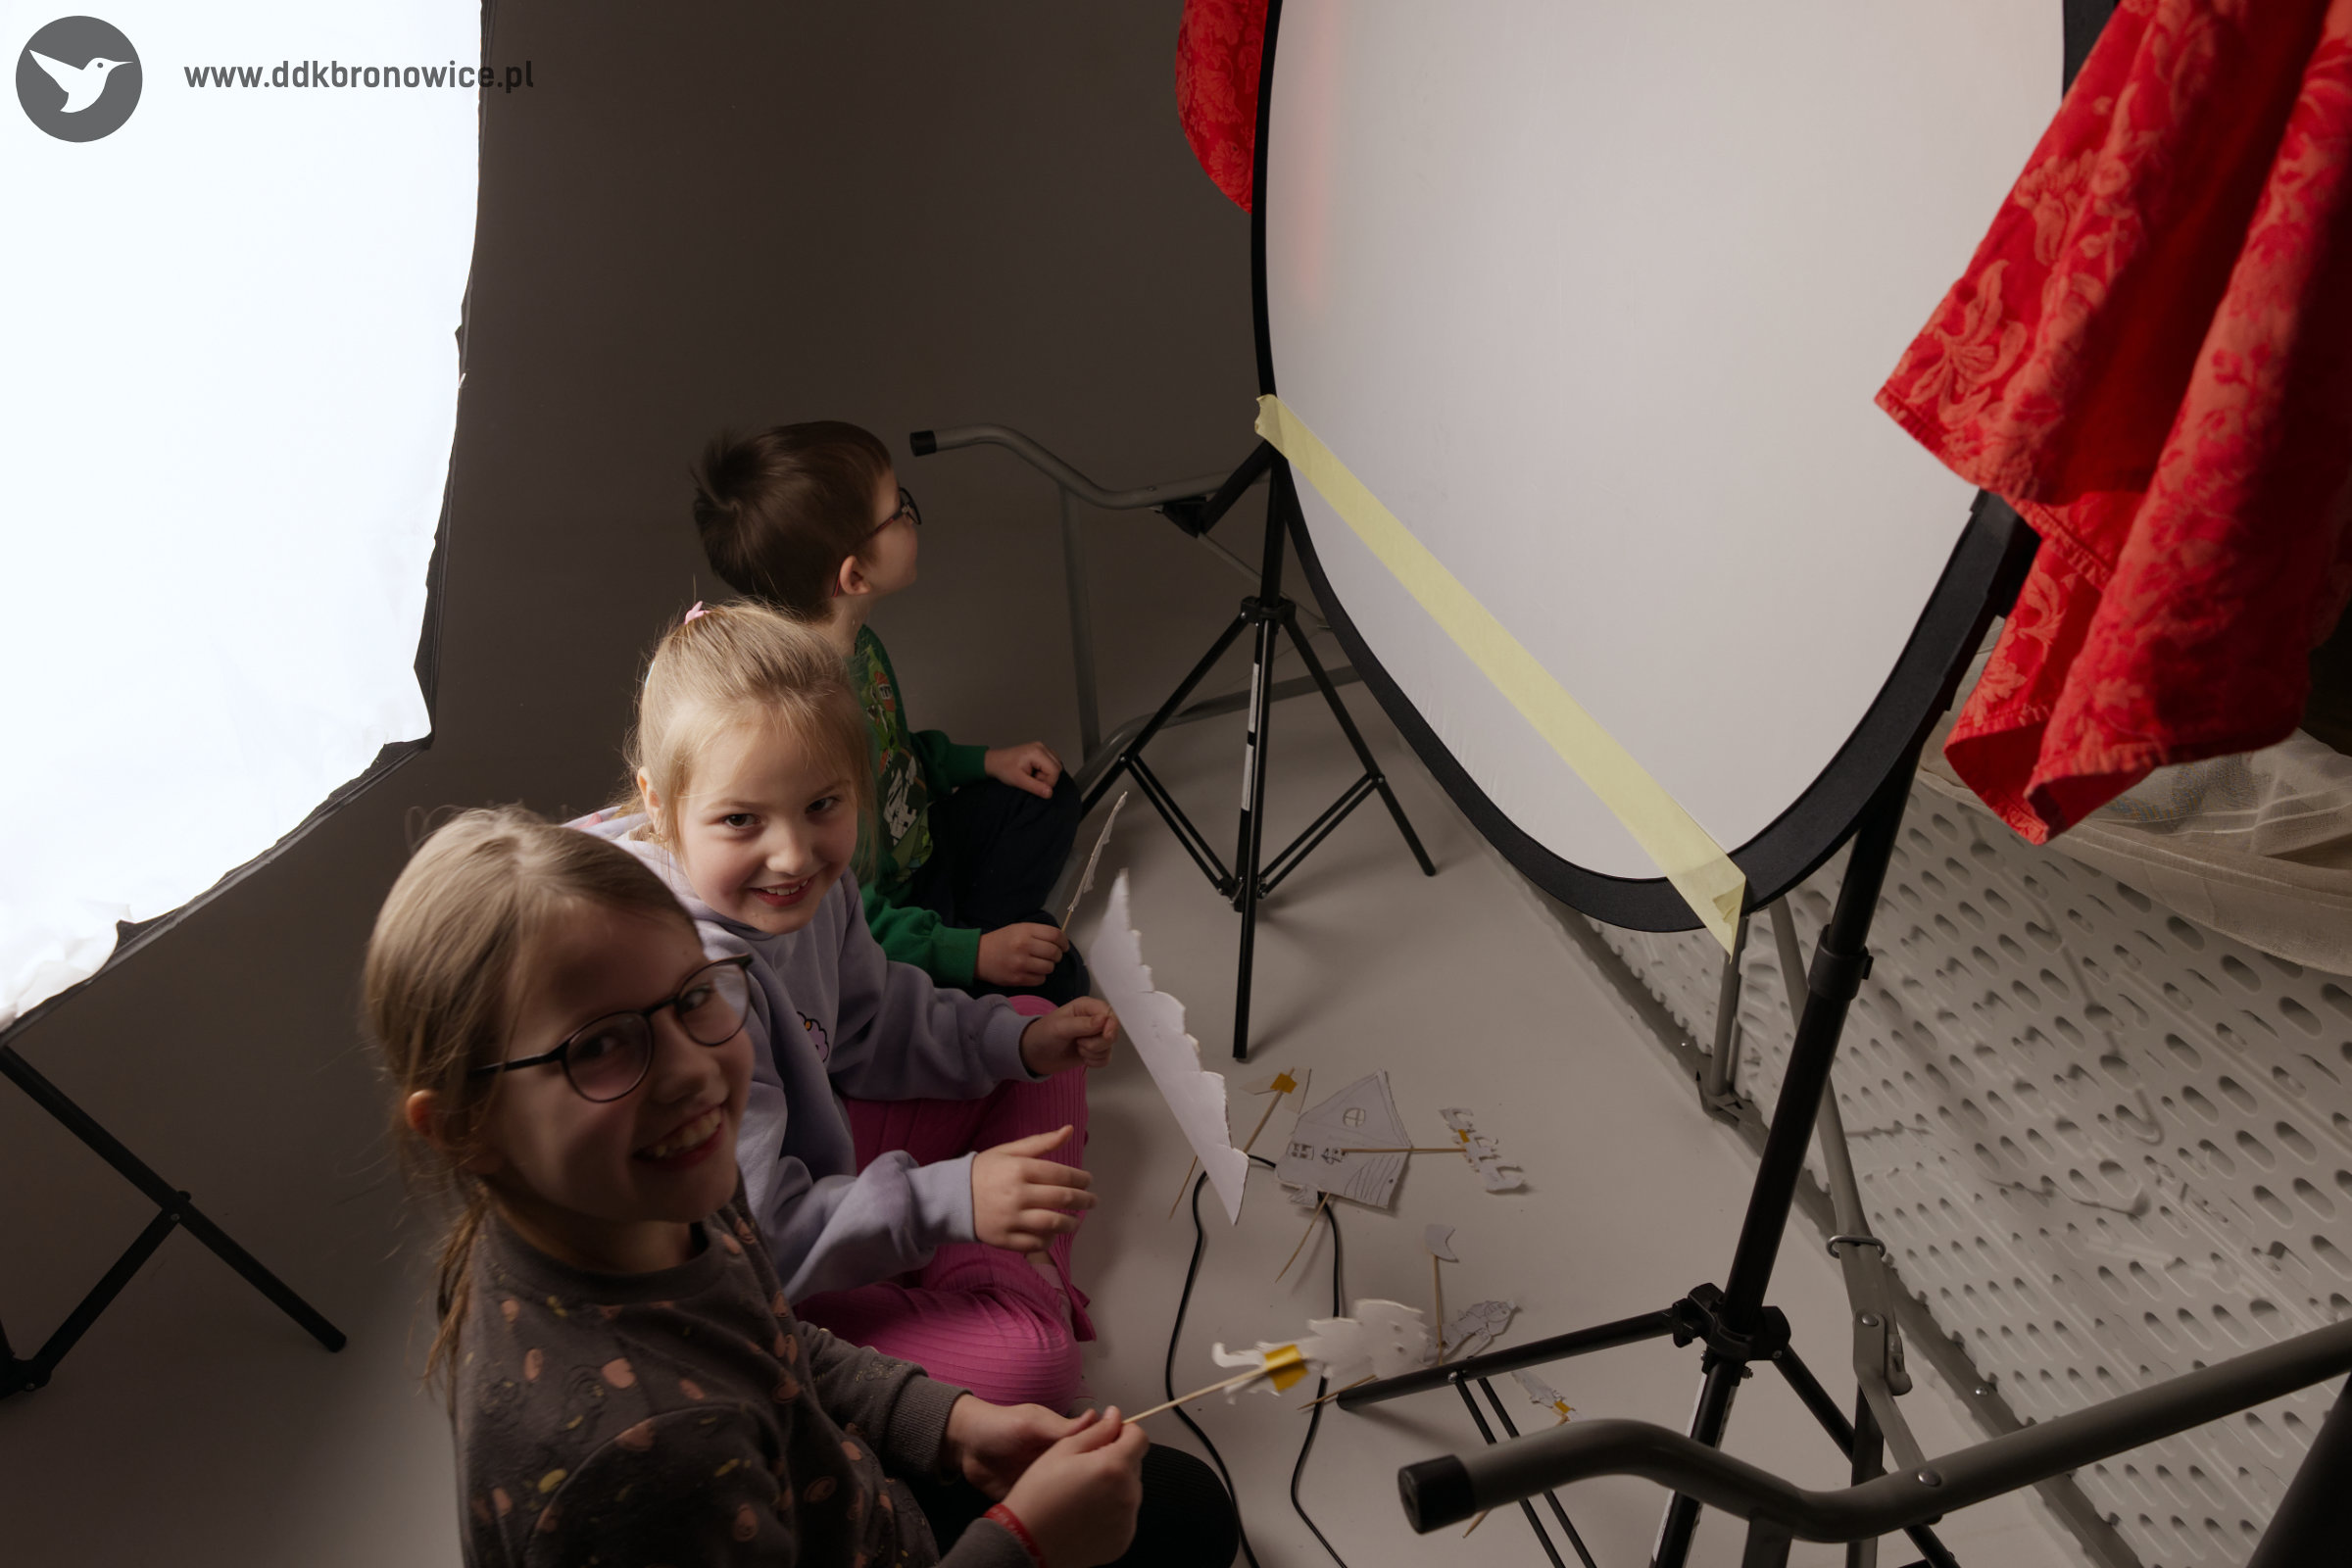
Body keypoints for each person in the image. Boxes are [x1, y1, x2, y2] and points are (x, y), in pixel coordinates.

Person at [366, 808, 1249, 1568]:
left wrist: (945, 1423)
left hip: (839, 1498)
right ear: (465, 1127)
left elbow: (772, 1343)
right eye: (598, 1046)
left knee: (1182, 1506)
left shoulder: (661, 1186)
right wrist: (1024, 1545)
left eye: (695, 996)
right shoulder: (644, 1463)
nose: (693, 1073)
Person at [578, 603, 1108, 1411]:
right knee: (1035, 1369)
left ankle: (977, 1266)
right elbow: (758, 1242)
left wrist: (1018, 1044)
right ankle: (1003, 1286)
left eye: (823, 805)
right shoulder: (688, 1002)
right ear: (659, 804)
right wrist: (948, 1202)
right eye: (740, 820)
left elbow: (872, 1018)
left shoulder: (813, 889)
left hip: (812, 1159)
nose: (793, 855)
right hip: (746, 1276)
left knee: (1033, 1026)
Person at [691, 419, 1088, 1004]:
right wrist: (972, 952)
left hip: (916, 848)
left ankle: (982, 936)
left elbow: (896, 754)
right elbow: (843, 907)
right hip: (881, 917)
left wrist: (983, 762)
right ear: (855, 574)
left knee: (1049, 793)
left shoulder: (858, 643)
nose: (910, 517)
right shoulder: (806, 725)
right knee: (1061, 980)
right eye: (897, 511)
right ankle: (966, 953)